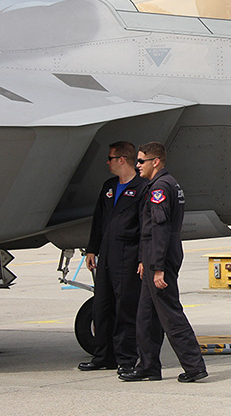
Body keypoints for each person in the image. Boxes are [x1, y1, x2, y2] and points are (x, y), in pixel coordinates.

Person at [118, 142, 208, 383]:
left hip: (161, 256)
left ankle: (194, 366)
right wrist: (143, 261)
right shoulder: (164, 184)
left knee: (170, 313)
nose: (136, 166)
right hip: (152, 255)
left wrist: (157, 267)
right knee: (145, 316)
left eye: (140, 161)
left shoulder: (161, 187)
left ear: (155, 161)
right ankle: (148, 366)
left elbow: (159, 229)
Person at [78, 141, 147, 374]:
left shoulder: (142, 188)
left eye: (110, 158)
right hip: (107, 253)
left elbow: (146, 227)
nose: (107, 163)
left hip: (128, 254)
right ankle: (103, 356)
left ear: (121, 160)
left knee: (125, 307)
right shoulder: (109, 186)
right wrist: (91, 249)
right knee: (102, 305)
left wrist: (143, 258)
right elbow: (99, 220)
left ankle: (126, 358)